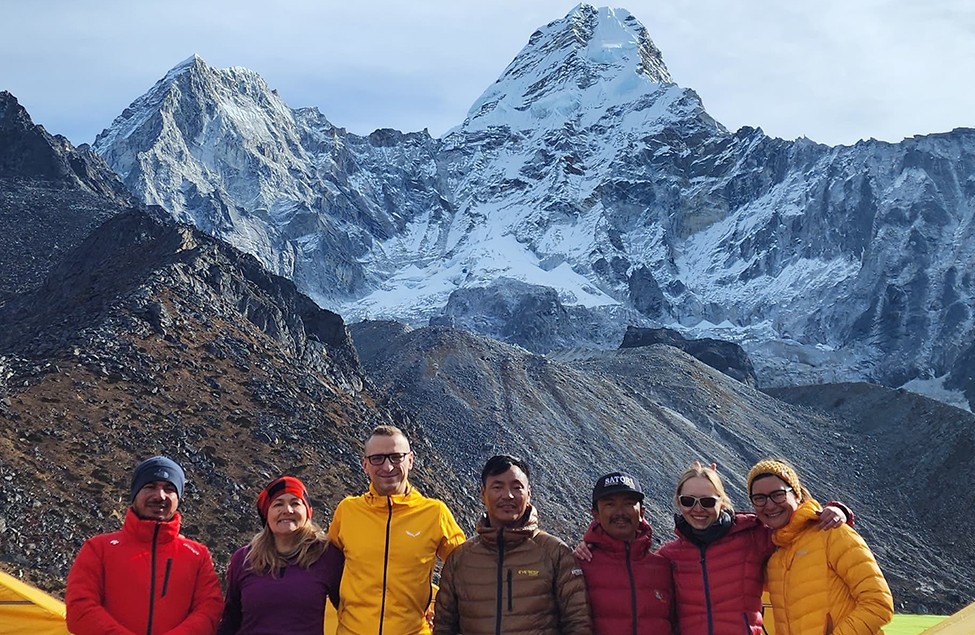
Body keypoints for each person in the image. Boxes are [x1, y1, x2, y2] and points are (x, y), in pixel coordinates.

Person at [653, 462, 851, 635]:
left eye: (707, 501)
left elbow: (795, 525)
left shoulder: (751, 535)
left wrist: (836, 510)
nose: (697, 509)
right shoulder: (668, 556)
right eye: (688, 501)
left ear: (722, 503)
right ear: (679, 503)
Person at [328, 425, 466, 634]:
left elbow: (468, 568)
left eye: (395, 457)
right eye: (377, 459)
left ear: (410, 460)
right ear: (365, 465)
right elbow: (325, 566)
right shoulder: (347, 510)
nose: (387, 466)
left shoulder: (435, 513)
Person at [433, 454, 592, 635]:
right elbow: (444, 626)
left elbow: (577, 623)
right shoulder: (460, 559)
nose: (507, 495)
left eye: (517, 487)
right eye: (497, 487)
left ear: (529, 493)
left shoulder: (555, 553)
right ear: (482, 493)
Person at [65, 455, 223, 635]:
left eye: (169, 489)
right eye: (150, 487)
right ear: (135, 494)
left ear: (178, 498)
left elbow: (210, 612)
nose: (160, 496)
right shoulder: (98, 548)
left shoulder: (198, 555)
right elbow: (80, 609)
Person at [747, 459, 893, 635]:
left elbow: (878, 603)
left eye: (778, 494)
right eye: (759, 498)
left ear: (796, 494)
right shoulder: (775, 556)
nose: (769, 505)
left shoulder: (832, 533)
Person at [217, 475, 343, 634]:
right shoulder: (244, 559)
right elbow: (230, 620)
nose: (287, 510)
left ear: (307, 512)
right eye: (278, 504)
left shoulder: (326, 555)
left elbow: (348, 611)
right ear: (266, 514)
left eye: (295, 503)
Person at [579, 471, 673, 635]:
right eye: (610, 504)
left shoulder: (664, 567)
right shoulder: (578, 565)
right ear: (596, 515)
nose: (620, 512)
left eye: (629, 503)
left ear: (642, 513)